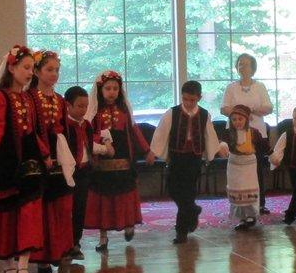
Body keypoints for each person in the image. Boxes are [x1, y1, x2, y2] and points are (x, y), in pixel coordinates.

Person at [0, 45, 52, 273]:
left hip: (29, 163)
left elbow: (35, 130)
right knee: (6, 216)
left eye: (32, 68)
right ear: (12, 68)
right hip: (6, 163)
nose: (30, 73)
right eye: (26, 68)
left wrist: (45, 154)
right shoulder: (1, 97)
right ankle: (9, 268)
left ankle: (23, 266)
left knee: (29, 213)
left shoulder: (30, 97)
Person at [84, 70, 154, 252]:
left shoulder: (124, 112)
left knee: (125, 193)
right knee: (103, 198)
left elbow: (135, 132)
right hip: (102, 162)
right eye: (108, 88)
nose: (112, 92)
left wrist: (147, 150)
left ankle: (129, 225)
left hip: (123, 161)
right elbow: (89, 135)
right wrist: (102, 143)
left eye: (115, 88)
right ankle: (103, 237)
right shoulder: (95, 113)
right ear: (100, 90)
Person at [150, 81, 221, 244]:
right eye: (185, 99)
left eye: (192, 100)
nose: (188, 103)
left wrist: (213, 152)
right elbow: (161, 133)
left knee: (188, 192)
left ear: (199, 98)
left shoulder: (204, 115)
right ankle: (193, 210)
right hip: (176, 157)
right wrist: (153, 152)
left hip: (194, 158)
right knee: (173, 189)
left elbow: (209, 134)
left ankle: (181, 232)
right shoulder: (172, 113)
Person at [27, 50, 74, 273]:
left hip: (58, 156)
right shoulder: (30, 98)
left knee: (60, 205)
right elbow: (30, 131)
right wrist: (43, 153)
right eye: (49, 70)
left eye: (56, 70)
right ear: (37, 71)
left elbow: (63, 129)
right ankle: (42, 256)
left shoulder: (60, 100)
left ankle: (60, 250)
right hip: (38, 157)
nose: (54, 74)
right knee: (42, 207)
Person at [221, 53, 273, 215]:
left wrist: (251, 112)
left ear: (253, 68)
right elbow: (224, 108)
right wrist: (240, 114)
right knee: (239, 170)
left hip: (256, 132)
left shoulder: (260, 87)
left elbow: (268, 107)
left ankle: (260, 203)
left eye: (246, 64)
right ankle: (240, 204)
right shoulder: (231, 87)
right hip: (236, 133)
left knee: (256, 168)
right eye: (240, 64)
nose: (243, 67)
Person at [64, 86, 109, 260]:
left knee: (79, 208)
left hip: (84, 172)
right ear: (68, 106)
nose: (83, 110)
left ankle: (76, 243)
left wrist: (104, 149)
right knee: (66, 209)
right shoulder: (64, 126)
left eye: (85, 106)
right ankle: (63, 245)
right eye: (79, 106)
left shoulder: (87, 125)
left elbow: (89, 146)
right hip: (68, 172)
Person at [219, 105, 267, 230]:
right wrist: (222, 145)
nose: (237, 122)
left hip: (249, 165)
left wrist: (273, 155)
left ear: (246, 119)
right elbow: (222, 142)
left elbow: (264, 146)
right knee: (237, 190)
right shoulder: (228, 133)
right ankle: (241, 218)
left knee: (249, 189)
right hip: (234, 165)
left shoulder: (254, 132)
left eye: (240, 119)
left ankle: (251, 216)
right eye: (234, 119)